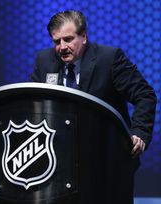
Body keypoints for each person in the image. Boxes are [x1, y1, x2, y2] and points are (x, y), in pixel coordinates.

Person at [31, 10, 156, 200]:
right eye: (57, 42)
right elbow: (30, 102)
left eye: (68, 39)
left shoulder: (109, 58)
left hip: (107, 161)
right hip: (59, 164)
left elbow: (145, 95)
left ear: (84, 37)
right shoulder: (44, 60)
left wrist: (139, 131)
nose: (62, 47)